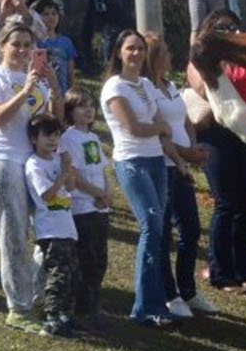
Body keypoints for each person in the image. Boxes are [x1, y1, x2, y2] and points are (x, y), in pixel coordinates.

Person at [0, 20, 60, 332]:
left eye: (28, 45)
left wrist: (52, 85)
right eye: (16, 44)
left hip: (34, 164)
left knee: (52, 228)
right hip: (2, 160)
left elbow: (53, 122)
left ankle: (38, 295)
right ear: (2, 47)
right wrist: (25, 90)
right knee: (13, 234)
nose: (23, 51)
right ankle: (18, 307)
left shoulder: (37, 80)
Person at [101, 30, 178, 326]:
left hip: (156, 159)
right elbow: (134, 127)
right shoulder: (114, 87)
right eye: (130, 49)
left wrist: (171, 147)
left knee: (159, 230)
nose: (135, 55)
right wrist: (159, 128)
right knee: (150, 225)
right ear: (120, 52)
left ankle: (158, 302)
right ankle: (144, 306)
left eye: (141, 49)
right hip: (132, 161)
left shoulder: (146, 84)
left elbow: (160, 124)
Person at [186, 10, 246, 294]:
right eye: (221, 28)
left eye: (233, 27)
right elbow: (205, 89)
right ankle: (221, 272)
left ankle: (244, 272)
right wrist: (218, 60)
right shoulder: (200, 62)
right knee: (227, 202)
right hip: (218, 135)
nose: (228, 32)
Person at [144, 32, 215, 319]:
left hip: (181, 165)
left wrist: (192, 143)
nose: (170, 57)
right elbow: (159, 133)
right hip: (162, 166)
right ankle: (169, 292)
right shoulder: (146, 91)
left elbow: (184, 120)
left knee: (191, 230)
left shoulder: (171, 86)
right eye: (164, 53)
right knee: (163, 234)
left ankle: (188, 289)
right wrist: (184, 156)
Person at [23, 115, 82, 337]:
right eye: (47, 135)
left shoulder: (58, 160)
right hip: (50, 228)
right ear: (34, 138)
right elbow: (47, 195)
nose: (53, 140)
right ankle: (51, 317)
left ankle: (66, 315)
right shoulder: (34, 164)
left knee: (71, 273)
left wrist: (68, 168)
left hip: (67, 226)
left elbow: (72, 185)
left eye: (56, 135)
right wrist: (61, 177)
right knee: (57, 274)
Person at [60, 89, 112, 325]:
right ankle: (83, 309)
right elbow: (74, 175)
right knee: (86, 259)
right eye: (81, 105)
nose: (88, 109)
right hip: (82, 207)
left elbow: (101, 170)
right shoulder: (69, 138)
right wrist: (97, 193)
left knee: (100, 258)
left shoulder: (92, 138)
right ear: (70, 111)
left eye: (91, 105)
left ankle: (94, 304)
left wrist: (107, 193)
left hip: (100, 207)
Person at [33, 0, 77, 95]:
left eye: (54, 13)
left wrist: (71, 92)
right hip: (42, 92)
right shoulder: (34, 41)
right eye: (46, 14)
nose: (51, 17)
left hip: (62, 92)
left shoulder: (66, 41)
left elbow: (70, 72)